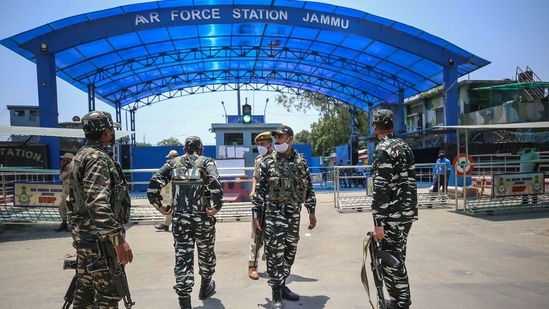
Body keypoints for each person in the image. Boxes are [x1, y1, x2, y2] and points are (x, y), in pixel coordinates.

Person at [66, 110, 134, 308]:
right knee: (109, 296)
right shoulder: (97, 158)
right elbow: (97, 202)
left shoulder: (80, 156)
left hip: (87, 238)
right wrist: (117, 240)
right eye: (111, 128)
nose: (113, 132)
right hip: (101, 242)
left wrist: (79, 233)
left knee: (85, 292)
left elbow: (72, 200)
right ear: (105, 131)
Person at [147, 136, 223, 309]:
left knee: (183, 259)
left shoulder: (173, 164)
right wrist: (216, 207)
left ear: (184, 149)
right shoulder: (207, 162)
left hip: (180, 220)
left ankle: (184, 302)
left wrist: (160, 206)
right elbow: (216, 184)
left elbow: (153, 185)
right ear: (201, 149)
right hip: (203, 219)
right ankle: (205, 288)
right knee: (206, 254)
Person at [251, 124, 317, 309]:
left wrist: (311, 211)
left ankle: (282, 283)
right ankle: (276, 293)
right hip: (273, 215)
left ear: (290, 139)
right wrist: (256, 215)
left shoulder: (301, 161)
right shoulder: (267, 162)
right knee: (274, 254)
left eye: (280, 137)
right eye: (275, 137)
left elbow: (308, 187)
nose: (277, 140)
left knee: (290, 251)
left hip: (293, 215)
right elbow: (259, 192)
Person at [370, 109, 418, 309]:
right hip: (406, 213)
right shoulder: (404, 146)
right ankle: (399, 300)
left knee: (392, 260)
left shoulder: (383, 149)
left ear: (375, 127)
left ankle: (401, 302)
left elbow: (381, 187)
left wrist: (378, 222)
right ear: (392, 125)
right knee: (396, 256)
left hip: (392, 214)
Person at [247, 131, 273, 280]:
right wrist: (253, 192)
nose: (260, 146)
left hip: (273, 203)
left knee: (272, 236)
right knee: (256, 235)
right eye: (258, 144)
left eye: (262, 144)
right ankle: (252, 266)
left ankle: (272, 266)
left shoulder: (277, 159)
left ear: (270, 143)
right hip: (260, 202)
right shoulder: (258, 160)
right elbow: (255, 178)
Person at [154, 149, 179, 232]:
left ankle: (166, 224)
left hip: (176, 189)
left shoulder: (170, 165)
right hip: (181, 189)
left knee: (171, 206)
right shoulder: (182, 163)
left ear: (171, 156)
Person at [54, 152, 74, 232]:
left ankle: (69, 224)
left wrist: (62, 167)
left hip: (69, 189)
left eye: (65, 158)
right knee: (64, 207)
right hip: (67, 189)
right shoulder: (70, 166)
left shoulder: (69, 166)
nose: (63, 160)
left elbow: (61, 177)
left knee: (67, 207)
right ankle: (65, 223)